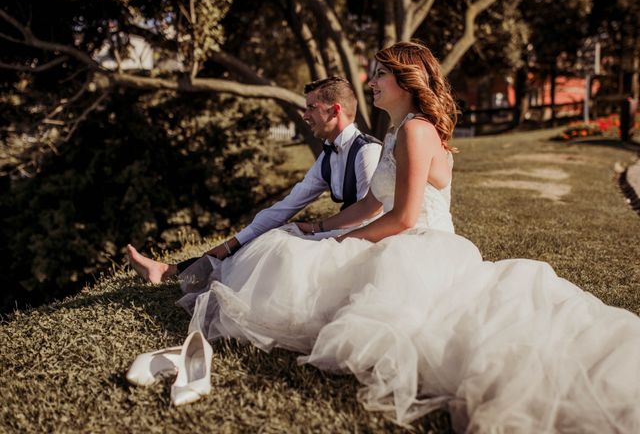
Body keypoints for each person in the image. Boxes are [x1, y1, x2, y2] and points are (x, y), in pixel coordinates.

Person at [130, 42, 640, 432]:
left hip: (423, 248)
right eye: (372, 74)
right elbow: (373, 203)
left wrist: (341, 242)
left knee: (329, 280)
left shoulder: (417, 130)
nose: (370, 83)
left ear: (406, 80)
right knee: (289, 244)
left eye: (379, 75)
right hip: (399, 236)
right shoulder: (398, 132)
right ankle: (194, 273)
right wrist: (320, 227)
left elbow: (403, 217)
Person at [128, 76, 382, 284]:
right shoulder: (328, 155)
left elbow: (368, 216)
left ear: (334, 109)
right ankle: (171, 270)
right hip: (341, 235)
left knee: (277, 247)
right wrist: (232, 243)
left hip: (364, 244)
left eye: (311, 108)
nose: (305, 115)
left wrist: (317, 229)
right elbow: (286, 206)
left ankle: (173, 271)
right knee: (266, 238)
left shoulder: (367, 152)